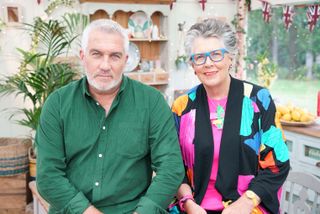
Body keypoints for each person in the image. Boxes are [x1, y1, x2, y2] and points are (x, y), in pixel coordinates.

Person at [36, 19, 184, 214]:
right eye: (96, 54)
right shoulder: (57, 104)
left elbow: (170, 168)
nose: (105, 65)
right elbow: (48, 177)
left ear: (126, 59)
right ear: (83, 56)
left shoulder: (152, 102)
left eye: (115, 56)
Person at [171, 18, 290, 214]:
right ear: (193, 64)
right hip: (194, 207)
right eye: (199, 57)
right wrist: (189, 204)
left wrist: (244, 203)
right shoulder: (182, 106)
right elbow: (172, 167)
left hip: (249, 206)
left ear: (230, 58)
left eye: (216, 54)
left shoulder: (258, 100)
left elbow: (277, 164)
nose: (208, 63)